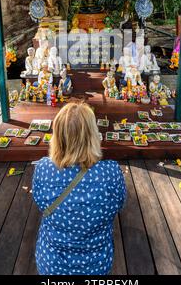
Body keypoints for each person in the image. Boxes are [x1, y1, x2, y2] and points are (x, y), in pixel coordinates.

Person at [32, 102, 126, 275]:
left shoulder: (43, 169)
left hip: (51, 264)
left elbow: (40, 203)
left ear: (57, 136)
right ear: (92, 135)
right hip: (96, 266)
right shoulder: (111, 172)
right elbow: (120, 204)